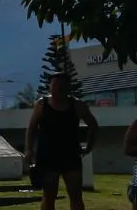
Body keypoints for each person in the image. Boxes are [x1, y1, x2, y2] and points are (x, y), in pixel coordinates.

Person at [24, 72, 98, 210]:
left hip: (70, 155)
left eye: (62, 85)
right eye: (55, 85)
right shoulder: (42, 104)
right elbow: (31, 128)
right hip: (47, 156)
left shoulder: (77, 105)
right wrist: (29, 149)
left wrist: (89, 147)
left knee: (76, 195)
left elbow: (93, 125)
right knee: (49, 196)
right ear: (50, 87)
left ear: (68, 87)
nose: (59, 89)